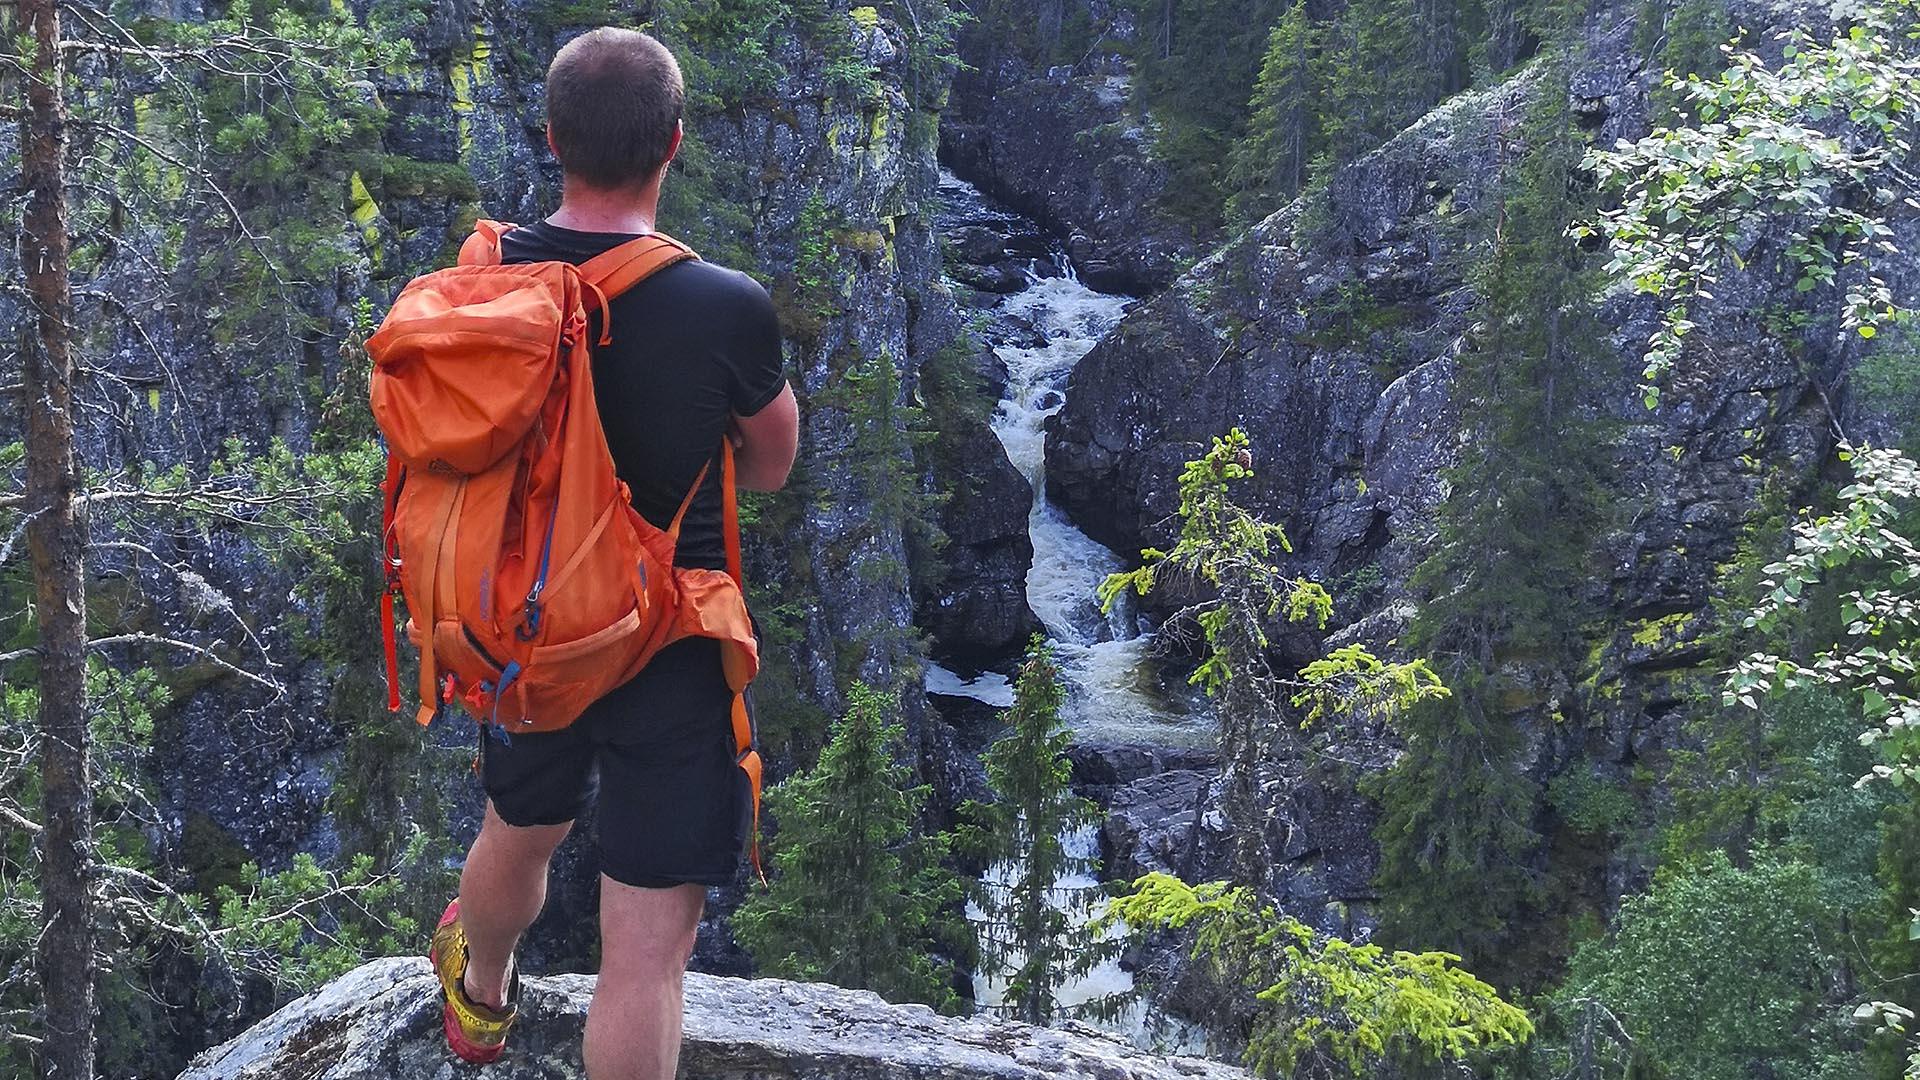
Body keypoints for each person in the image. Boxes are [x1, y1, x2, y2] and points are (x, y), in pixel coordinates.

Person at [427, 26, 799, 1079]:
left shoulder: (486, 279)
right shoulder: (724, 306)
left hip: (524, 623)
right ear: (673, 145)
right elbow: (772, 463)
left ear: (552, 138)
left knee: (521, 821)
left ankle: (482, 989)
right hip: (669, 635)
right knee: (645, 949)